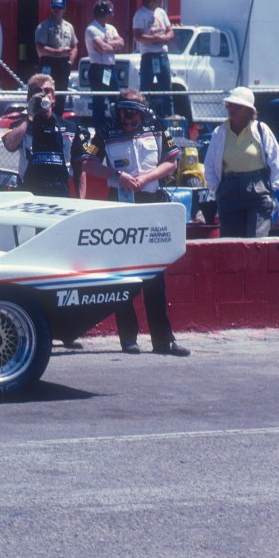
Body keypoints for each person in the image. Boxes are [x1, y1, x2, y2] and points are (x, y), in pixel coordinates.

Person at [79, 88, 190, 357]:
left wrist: (147, 178)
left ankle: (164, 341)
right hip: (121, 204)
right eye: (123, 116)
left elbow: (172, 161)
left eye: (134, 117)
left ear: (142, 112)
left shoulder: (156, 124)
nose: (128, 122)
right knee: (123, 273)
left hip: (151, 203)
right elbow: (87, 162)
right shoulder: (105, 130)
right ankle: (128, 339)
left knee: (155, 274)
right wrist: (117, 175)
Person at [203, 86, 279, 238]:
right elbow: (208, 166)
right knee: (231, 244)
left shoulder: (262, 130)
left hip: (258, 193)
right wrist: (219, 189)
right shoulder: (219, 132)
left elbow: (278, 162)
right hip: (229, 193)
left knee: (257, 243)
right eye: (229, 105)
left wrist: (271, 189)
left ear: (248, 110)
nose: (231, 109)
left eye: (237, 106)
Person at [1, 74, 90, 197]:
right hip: (30, 191)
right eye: (37, 91)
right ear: (29, 97)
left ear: (53, 98)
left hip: (60, 191)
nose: (43, 95)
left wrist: (81, 201)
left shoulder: (71, 127)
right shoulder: (21, 126)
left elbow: (79, 168)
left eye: (47, 91)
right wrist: (30, 115)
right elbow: (9, 145)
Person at [133, 0, 175, 119]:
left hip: (162, 56)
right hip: (148, 56)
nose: (161, 1)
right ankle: (143, 119)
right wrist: (158, 38)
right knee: (145, 91)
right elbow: (138, 37)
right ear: (151, 1)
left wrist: (166, 37)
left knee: (167, 90)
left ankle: (168, 119)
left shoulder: (161, 13)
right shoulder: (140, 15)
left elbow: (170, 31)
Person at [34, 0, 79, 118]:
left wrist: (70, 60)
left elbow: (74, 46)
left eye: (59, 8)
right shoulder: (44, 26)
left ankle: (58, 120)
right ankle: (43, 119)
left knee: (61, 93)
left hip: (63, 64)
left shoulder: (69, 27)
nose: (56, 10)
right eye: (54, 8)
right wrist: (58, 52)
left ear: (64, 9)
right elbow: (40, 48)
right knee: (46, 92)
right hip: (48, 63)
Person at [85, 0, 125, 131]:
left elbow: (121, 43)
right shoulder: (91, 29)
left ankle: (117, 125)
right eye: (111, 12)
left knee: (116, 98)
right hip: (98, 68)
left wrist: (108, 44)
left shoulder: (111, 28)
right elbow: (101, 47)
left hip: (109, 69)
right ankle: (99, 130)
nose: (113, 15)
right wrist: (109, 44)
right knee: (99, 101)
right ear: (103, 13)